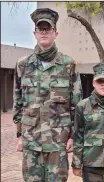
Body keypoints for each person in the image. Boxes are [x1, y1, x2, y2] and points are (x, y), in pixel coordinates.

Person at [13, 8, 82, 182]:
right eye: (40, 29)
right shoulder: (22, 65)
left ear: (55, 33)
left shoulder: (68, 64)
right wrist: (19, 135)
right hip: (31, 139)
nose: (44, 32)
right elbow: (18, 102)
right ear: (34, 33)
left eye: (48, 29)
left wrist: (73, 136)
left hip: (58, 140)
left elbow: (76, 103)